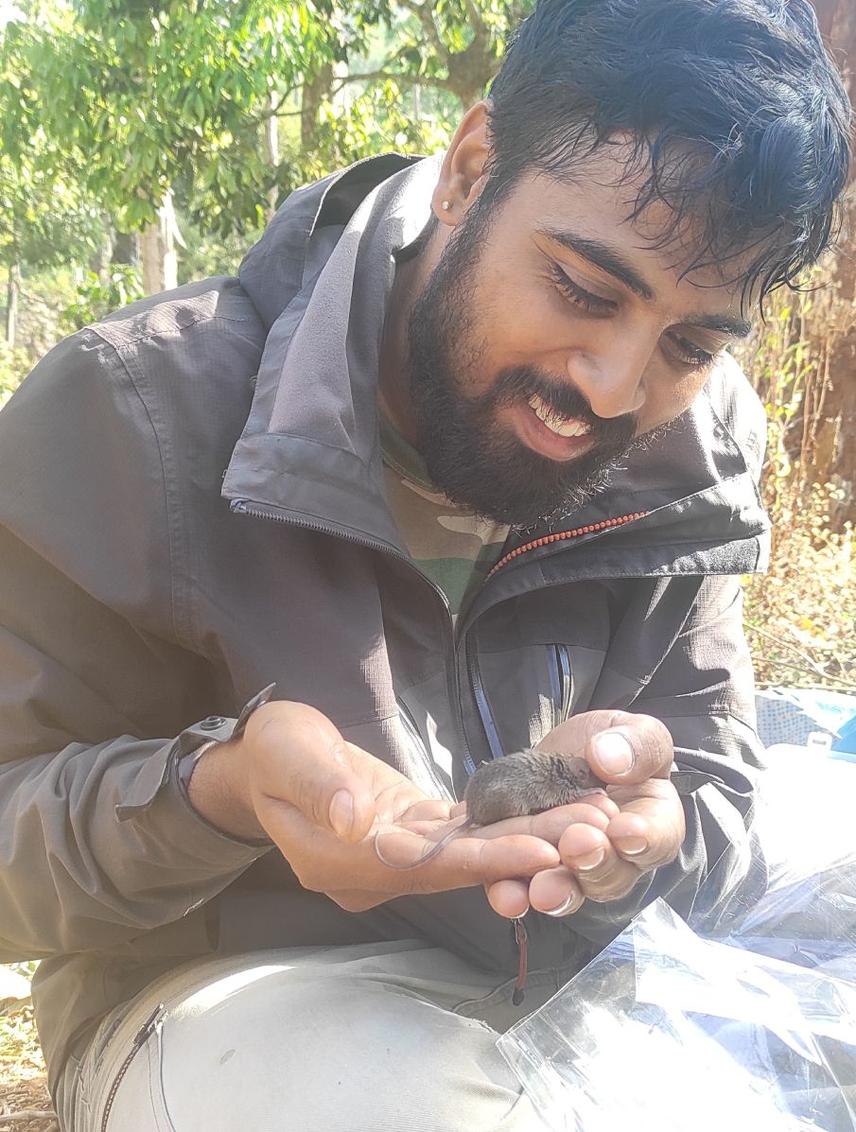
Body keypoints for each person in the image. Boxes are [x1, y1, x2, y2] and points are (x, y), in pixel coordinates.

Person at [0, 0, 850, 1128]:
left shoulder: (695, 440)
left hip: (593, 968)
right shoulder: (136, 410)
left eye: (690, 343)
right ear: (470, 168)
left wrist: (651, 836)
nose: (610, 386)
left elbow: (715, 775)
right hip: (238, 995)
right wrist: (223, 796)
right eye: (583, 290)